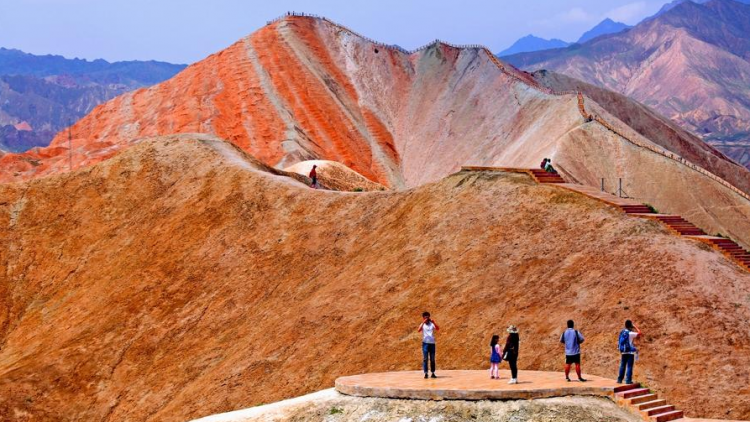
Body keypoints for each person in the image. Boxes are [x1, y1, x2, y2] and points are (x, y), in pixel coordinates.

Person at [617, 320, 641, 384]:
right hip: (630, 352)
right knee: (629, 366)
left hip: (623, 351)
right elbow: (639, 333)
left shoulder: (622, 332)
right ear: (631, 325)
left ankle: (619, 379)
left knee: (622, 365)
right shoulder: (631, 333)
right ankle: (628, 380)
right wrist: (635, 327)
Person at [418, 311, 439, 379]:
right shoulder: (423, 324)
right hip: (425, 344)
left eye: (428, 317)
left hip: (432, 344)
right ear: (423, 318)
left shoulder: (432, 324)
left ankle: (433, 373)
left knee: (432, 359)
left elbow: (438, 328)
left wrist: (434, 322)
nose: (427, 318)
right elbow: (418, 330)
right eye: (425, 317)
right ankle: (426, 373)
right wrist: (423, 322)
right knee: (425, 359)